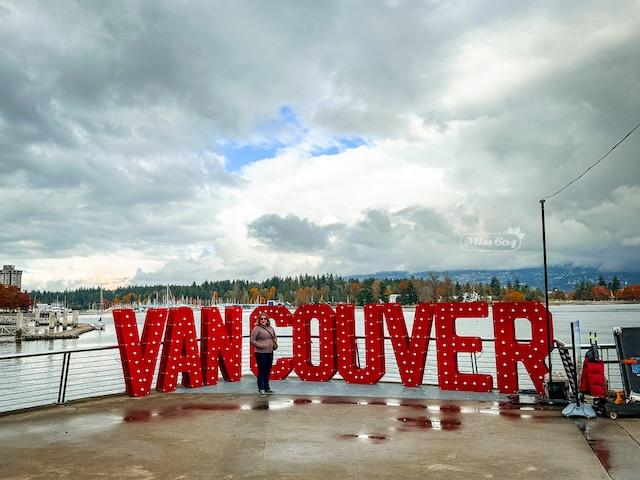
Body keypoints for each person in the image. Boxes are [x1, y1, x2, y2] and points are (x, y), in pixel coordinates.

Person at [250, 313, 277, 397]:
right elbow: (252, 340)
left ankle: (266, 387)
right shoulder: (256, 329)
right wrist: (261, 346)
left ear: (267, 320)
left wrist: (274, 343)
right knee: (261, 370)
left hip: (270, 351)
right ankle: (261, 388)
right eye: (261, 319)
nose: (263, 320)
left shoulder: (270, 328)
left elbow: (274, 336)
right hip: (260, 353)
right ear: (259, 320)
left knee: (267, 370)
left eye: (265, 318)